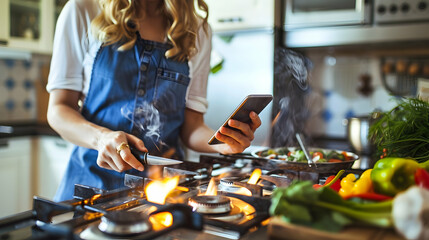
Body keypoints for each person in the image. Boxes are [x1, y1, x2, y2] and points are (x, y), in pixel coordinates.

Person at [47, 0, 262, 202]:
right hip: (89, 189)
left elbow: (192, 126)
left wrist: (222, 143)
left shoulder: (197, 30)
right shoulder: (83, 9)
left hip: (161, 193)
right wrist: (101, 138)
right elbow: (58, 110)